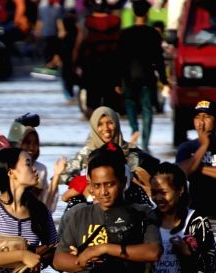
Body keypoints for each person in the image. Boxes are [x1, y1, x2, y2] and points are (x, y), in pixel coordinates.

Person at [53, 144, 161, 273]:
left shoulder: (142, 213)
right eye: (97, 186)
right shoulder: (78, 214)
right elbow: (58, 260)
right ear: (90, 187)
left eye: (109, 184)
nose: (103, 192)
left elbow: (153, 252)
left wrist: (103, 248)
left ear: (123, 182)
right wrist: (82, 260)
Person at [147, 162, 216, 273]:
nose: (158, 198)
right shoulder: (145, 219)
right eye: (154, 192)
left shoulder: (196, 221)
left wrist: (188, 253)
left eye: (163, 192)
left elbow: (212, 265)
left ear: (180, 190)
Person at [174, 99, 216, 221]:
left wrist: (196, 167)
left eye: (206, 117)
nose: (201, 121)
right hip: (196, 216)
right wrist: (204, 145)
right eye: (197, 117)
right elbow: (181, 173)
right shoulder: (186, 147)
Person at [117, 0, 167, 152]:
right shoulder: (153, 34)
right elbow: (159, 59)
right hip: (147, 75)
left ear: (133, 13)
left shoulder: (125, 34)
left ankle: (134, 131)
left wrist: (117, 80)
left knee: (130, 104)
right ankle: (145, 143)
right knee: (147, 109)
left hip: (129, 76)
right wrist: (164, 79)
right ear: (147, 13)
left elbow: (119, 58)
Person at [59, 105, 140, 185]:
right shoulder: (87, 153)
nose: (106, 128)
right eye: (100, 124)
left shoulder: (131, 151)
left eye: (110, 123)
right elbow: (62, 176)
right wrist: (83, 183)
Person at [7, 114, 66, 212]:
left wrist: (57, 175)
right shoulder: (8, 166)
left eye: (35, 143)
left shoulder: (41, 169)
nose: (31, 147)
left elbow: (46, 205)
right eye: (27, 143)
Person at [74, 0, 123, 116]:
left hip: (92, 66)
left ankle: (95, 130)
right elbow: (120, 45)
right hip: (111, 66)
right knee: (109, 103)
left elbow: (79, 44)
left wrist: (75, 63)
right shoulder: (116, 21)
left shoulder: (86, 22)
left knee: (93, 102)